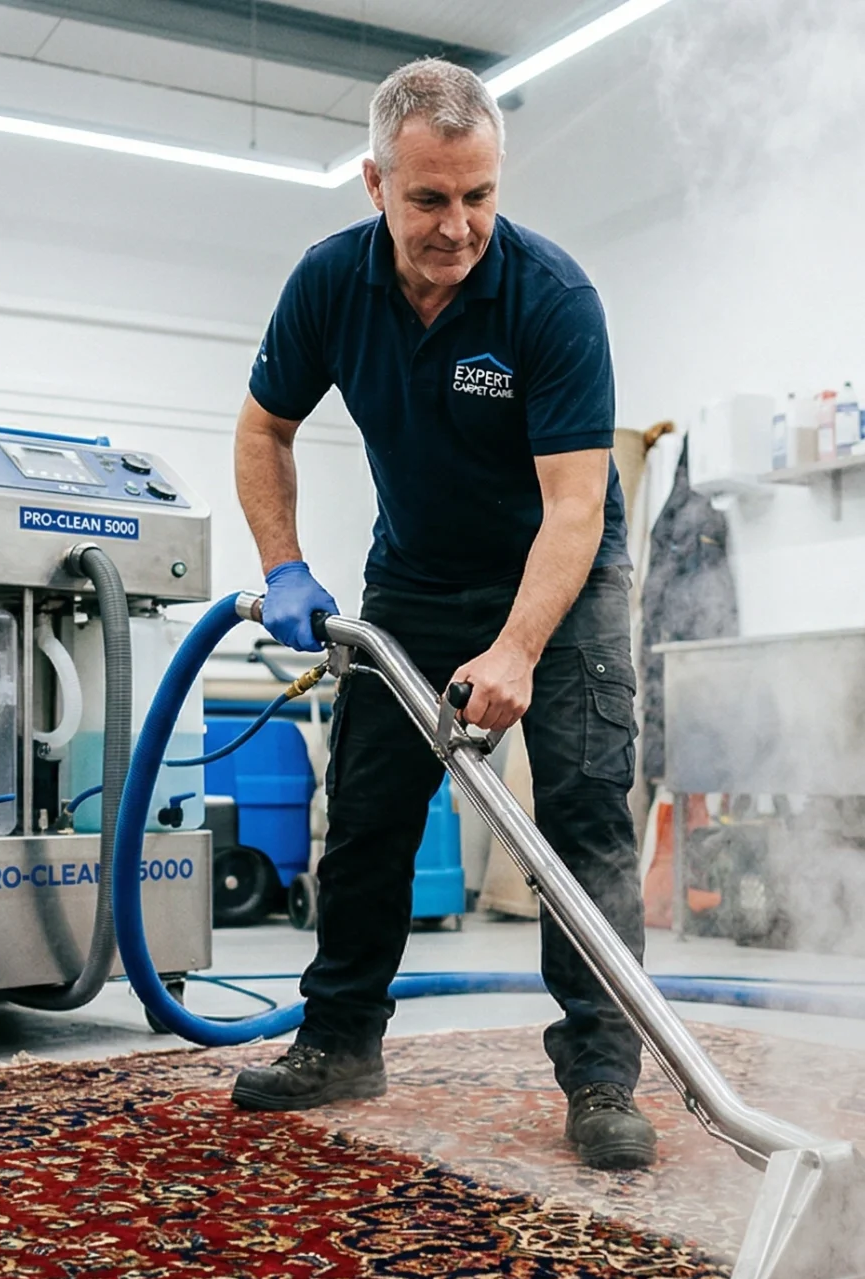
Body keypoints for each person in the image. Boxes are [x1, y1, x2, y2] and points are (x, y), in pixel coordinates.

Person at [225, 58, 655, 1170]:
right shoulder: (329, 285)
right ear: (374, 183)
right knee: (368, 810)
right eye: (429, 199)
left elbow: (575, 506)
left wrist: (518, 647)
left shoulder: (549, 299)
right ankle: (339, 1041)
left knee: (582, 812)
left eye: (479, 197)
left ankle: (604, 1074)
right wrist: (284, 566)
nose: (457, 225)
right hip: (413, 577)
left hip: (561, 574)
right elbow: (262, 427)